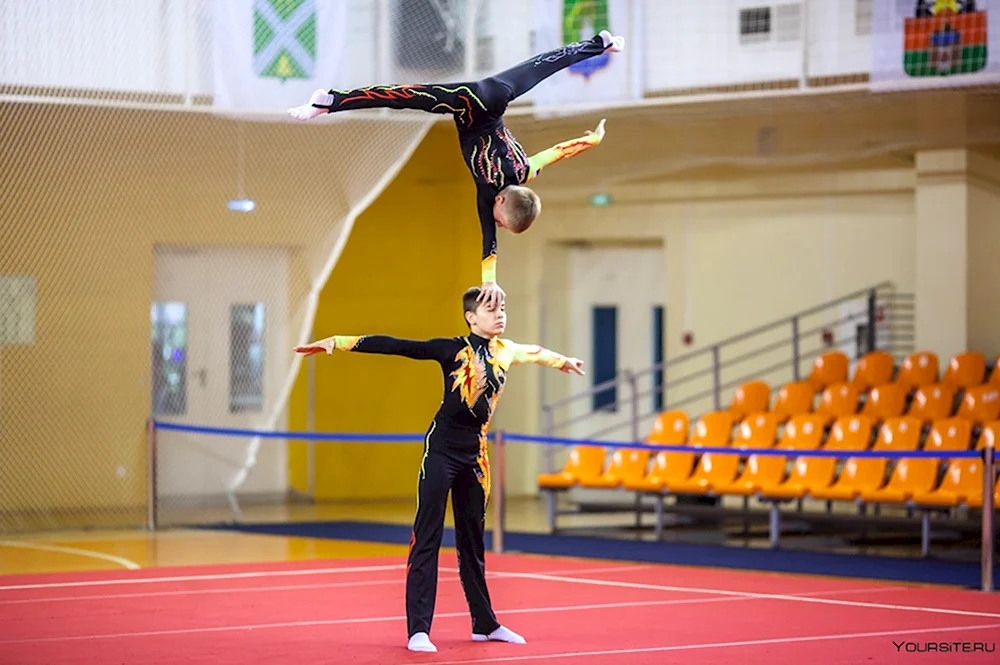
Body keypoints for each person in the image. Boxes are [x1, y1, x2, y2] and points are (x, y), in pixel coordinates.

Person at [293, 287, 585, 653]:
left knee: (472, 541)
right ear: (471, 317)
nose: (499, 314)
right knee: (427, 536)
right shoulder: (452, 350)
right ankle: (418, 630)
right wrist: (338, 342)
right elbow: (398, 345)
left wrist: (564, 361)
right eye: (490, 308)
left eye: (503, 307)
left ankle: (485, 623)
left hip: (475, 455)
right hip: (442, 450)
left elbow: (538, 353)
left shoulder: (507, 351)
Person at [288, 31, 625, 308]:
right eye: (501, 220)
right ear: (503, 204)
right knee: (402, 98)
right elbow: (488, 242)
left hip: (496, 94)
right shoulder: (487, 189)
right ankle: (330, 102)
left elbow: (557, 152)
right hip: (469, 102)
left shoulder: (525, 172)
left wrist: (592, 141)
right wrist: (489, 283)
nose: (495, 223)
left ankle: (601, 43)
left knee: (540, 67)